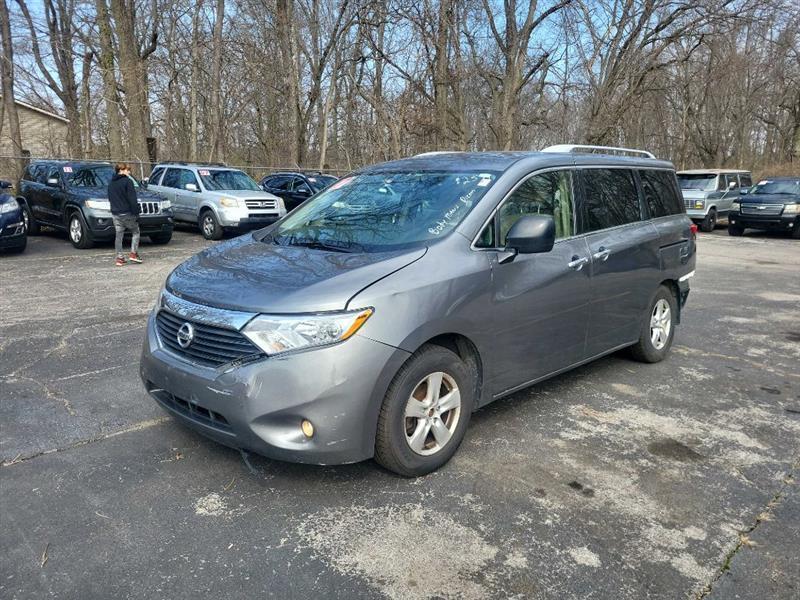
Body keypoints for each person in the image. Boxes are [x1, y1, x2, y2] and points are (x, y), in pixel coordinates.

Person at [108, 162, 142, 266]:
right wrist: (136, 213)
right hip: (127, 213)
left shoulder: (111, 183)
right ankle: (133, 254)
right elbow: (132, 199)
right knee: (136, 232)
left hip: (115, 214)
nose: (129, 172)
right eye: (128, 170)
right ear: (121, 171)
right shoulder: (128, 182)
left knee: (119, 236)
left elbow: (110, 198)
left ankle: (119, 258)